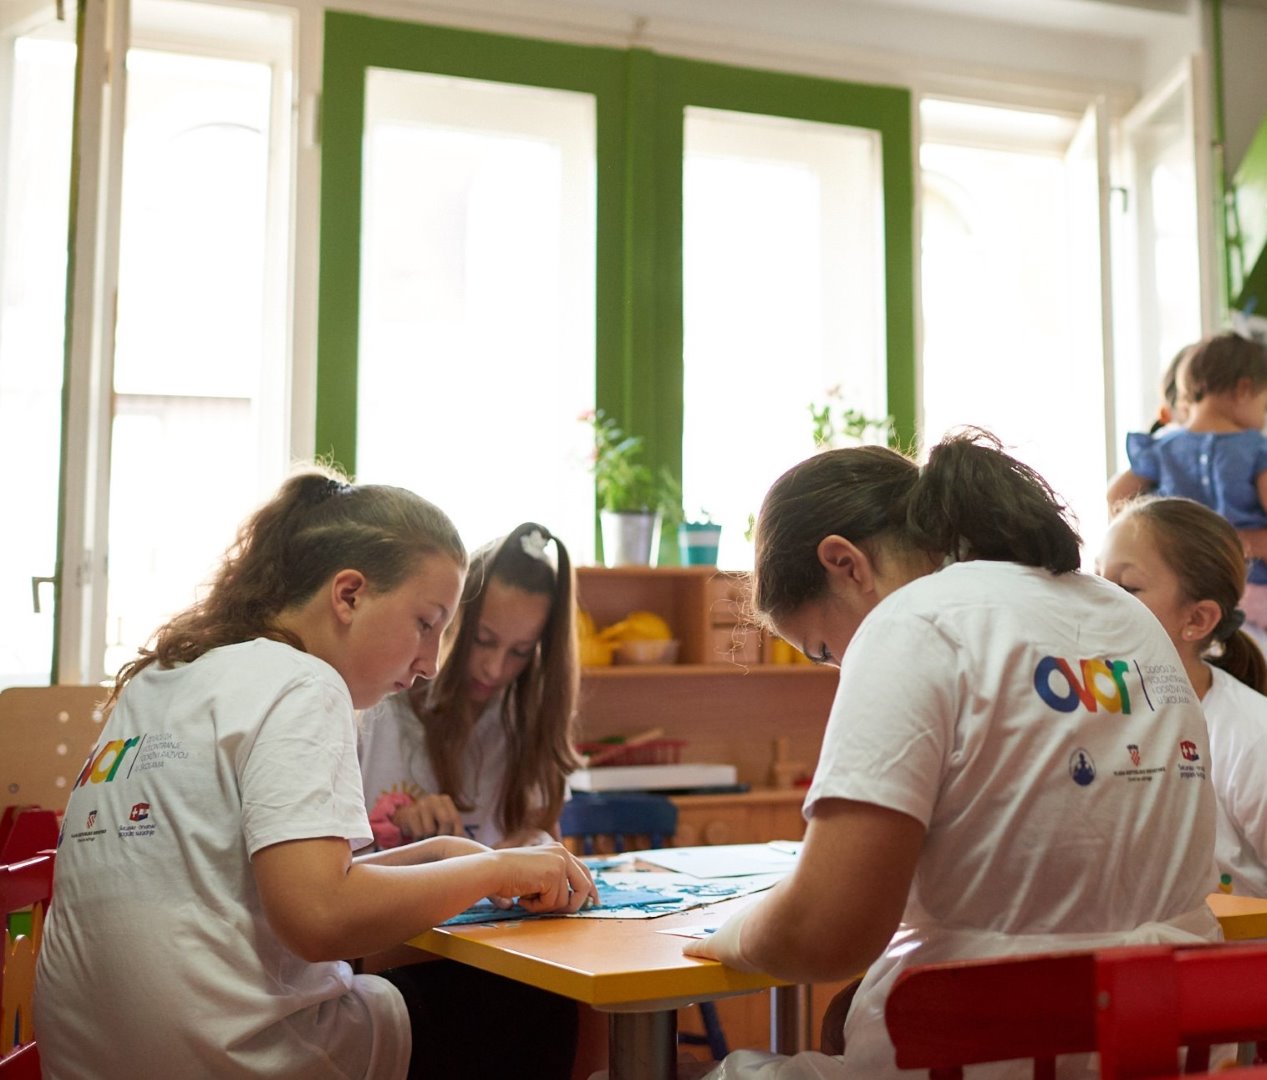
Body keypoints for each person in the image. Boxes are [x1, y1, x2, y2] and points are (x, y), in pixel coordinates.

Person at [681, 430, 1220, 1079]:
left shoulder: (911, 624)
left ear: (845, 563)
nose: (840, 666)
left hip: (994, 1053)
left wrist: (734, 935)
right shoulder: (1120, 612)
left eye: (823, 649)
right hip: (1168, 1048)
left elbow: (827, 931)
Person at [34, 468, 597, 1080]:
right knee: (535, 1006)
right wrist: (495, 869)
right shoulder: (306, 683)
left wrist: (439, 856)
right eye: (426, 623)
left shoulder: (159, 679)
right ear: (349, 595)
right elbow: (320, 918)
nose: (432, 663)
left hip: (89, 1060)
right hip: (230, 1059)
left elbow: (252, 881)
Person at [359, 521, 580, 851]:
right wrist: (397, 826)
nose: (494, 669)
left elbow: (544, 832)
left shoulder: (523, 719)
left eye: (520, 652)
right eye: (482, 640)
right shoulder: (375, 705)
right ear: (448, 619)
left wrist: (536, 843)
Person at [1098, 495, 1267, 896]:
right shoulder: (1081, 712)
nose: (1097, 599)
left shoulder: (1251, 736)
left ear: (1197, 619)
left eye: (1126, 587)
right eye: (1096, 579)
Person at [1106, 331, 1267, 638]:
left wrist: (1149, 541)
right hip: (1250, 587)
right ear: (1244, 389)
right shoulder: (1257, 449)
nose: (1263, 416)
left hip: (1182, 589)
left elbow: (1117, 494)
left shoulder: (1162, 447)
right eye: (1264, 404)